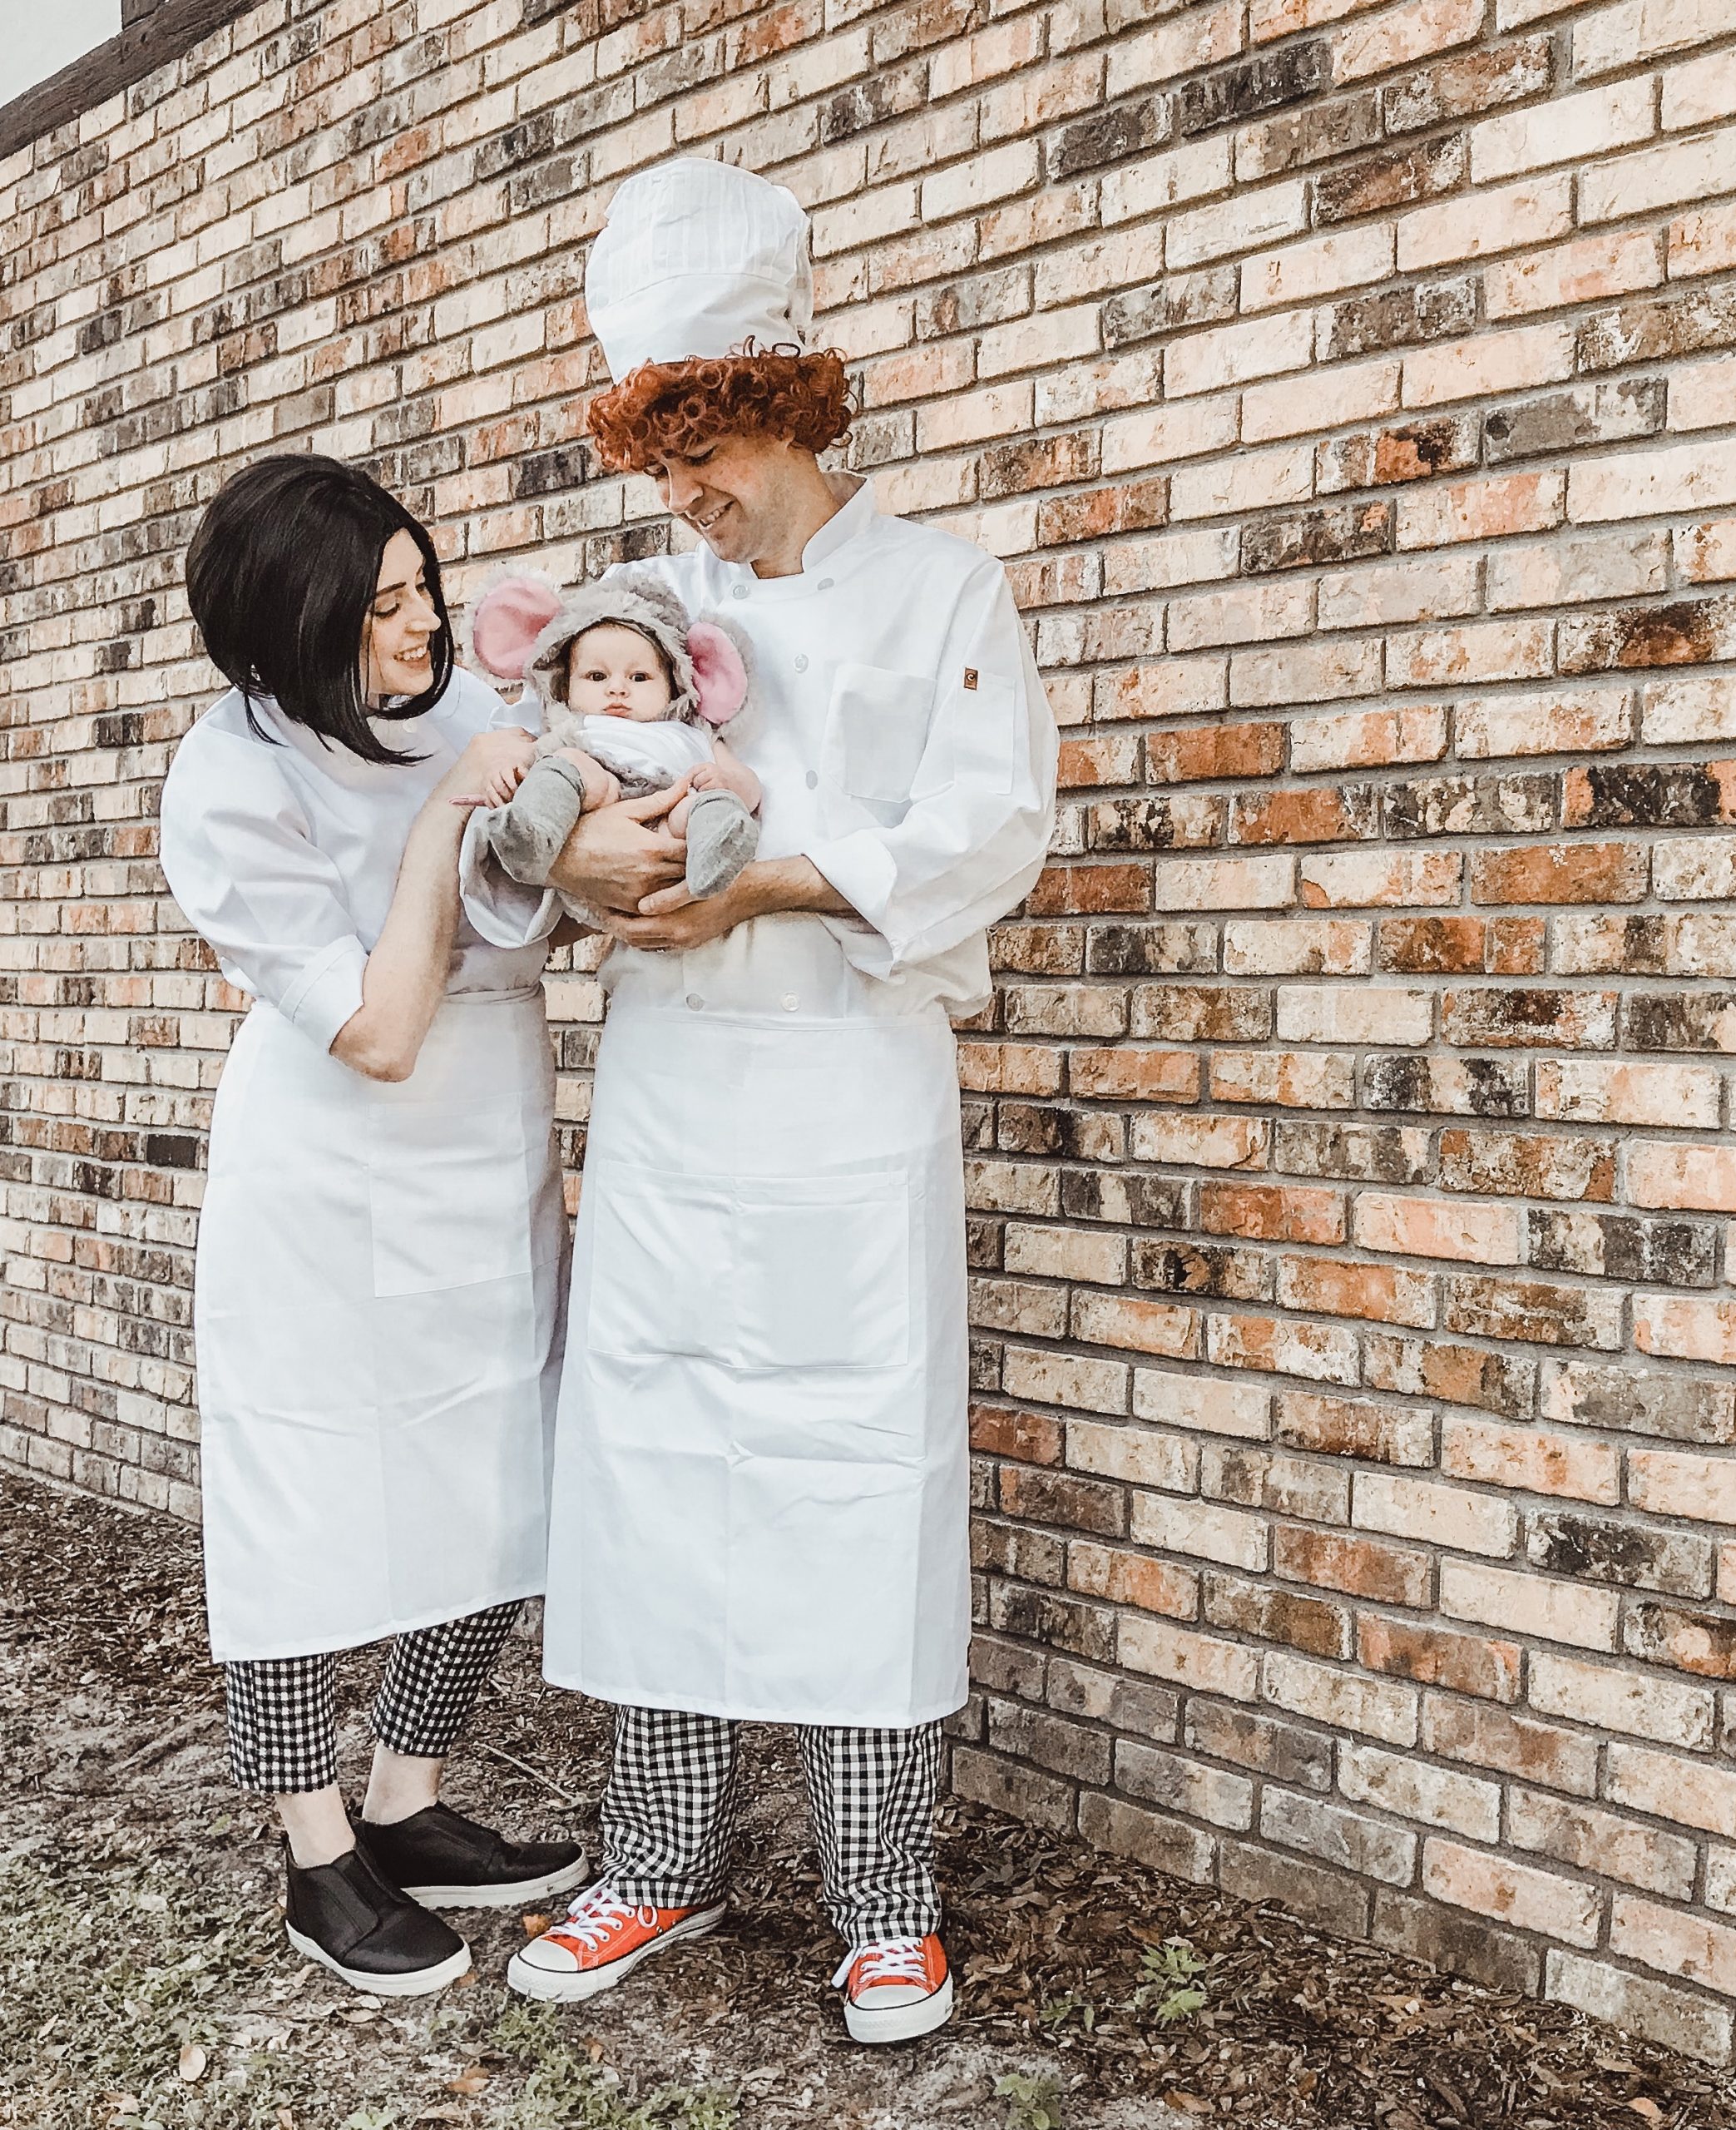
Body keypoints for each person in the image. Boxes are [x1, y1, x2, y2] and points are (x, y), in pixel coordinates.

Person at [462, 159, 1057, 2042]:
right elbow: (566, 805)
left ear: (788, 406)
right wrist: (589, 871)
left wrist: (777, 875)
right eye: (658, 451)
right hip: (669, 1099)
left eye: (704, 444)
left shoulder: (941, 584)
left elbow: (989, 826)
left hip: (846, 1084)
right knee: (653, 1462)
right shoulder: (651, 601)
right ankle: (653, 1858)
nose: (682, 490)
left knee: (857, 1475)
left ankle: (886, 1900)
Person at [158, 455, 586, 1996]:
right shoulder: (228, 786)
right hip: (334, 1153)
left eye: (424, 589)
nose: (425, 628)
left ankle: (406, 1799)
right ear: (292, 635)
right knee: (300, 1507)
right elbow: (382, 1026)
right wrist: (431, 845)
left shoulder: (462, 704)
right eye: (384, 609)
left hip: (485, 1145)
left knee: (500, 1471)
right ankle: (318, 1851)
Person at [459, 566, 760, 901]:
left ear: (676, 685)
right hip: (602, 800)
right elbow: (527, 769)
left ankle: (718, 850)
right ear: (567, 687)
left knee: (701, 807)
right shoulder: (575, 730)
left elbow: (747, 783)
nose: (617, 689)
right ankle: (532, 834)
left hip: (671, 827)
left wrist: (725, 783)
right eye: (597, 676)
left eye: (639, 677)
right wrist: (508, 779)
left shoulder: (695, 733)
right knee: (565, 766)